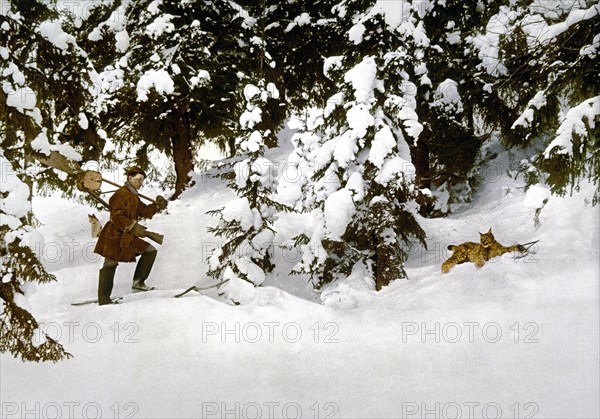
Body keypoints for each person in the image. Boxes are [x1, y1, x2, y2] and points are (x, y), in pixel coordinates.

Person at [93, 166, 168, 305]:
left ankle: (138, 282)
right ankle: (104, 299)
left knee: (150, 250)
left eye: (142, 181)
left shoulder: (134, 196)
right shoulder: (120, 195)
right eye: (137, 179)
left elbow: (144, 211)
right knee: (110, 263)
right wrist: (133, 226)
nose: (140, 183)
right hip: (114, 234)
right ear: (129, 178)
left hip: (127, 236)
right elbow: (116, 217)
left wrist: (156, 206)